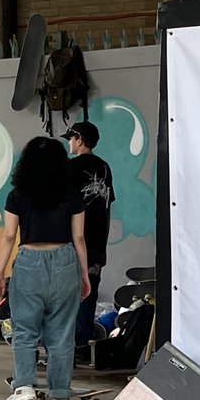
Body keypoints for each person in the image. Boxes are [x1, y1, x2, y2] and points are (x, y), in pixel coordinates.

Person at [0, 136, 90, 400]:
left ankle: (23, 387)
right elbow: (79, 237)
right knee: (61, 334)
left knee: (25, 331)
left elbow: (9, 235)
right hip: (64, 260)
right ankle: (60, 397)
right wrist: (84, 274)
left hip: (29, 260)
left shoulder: (17, 195)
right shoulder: (72, 195)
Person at [65, 121, 114, 354]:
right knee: (89, 294)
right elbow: (107, 207)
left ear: (80, 140)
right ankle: (83, 345)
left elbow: (61, 206)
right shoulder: (105, 168)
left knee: (65, 297)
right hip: (97, 245)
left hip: (73, 242)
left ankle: (66, 347)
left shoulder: (70, 168)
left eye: (71, 138)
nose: (69, 142)